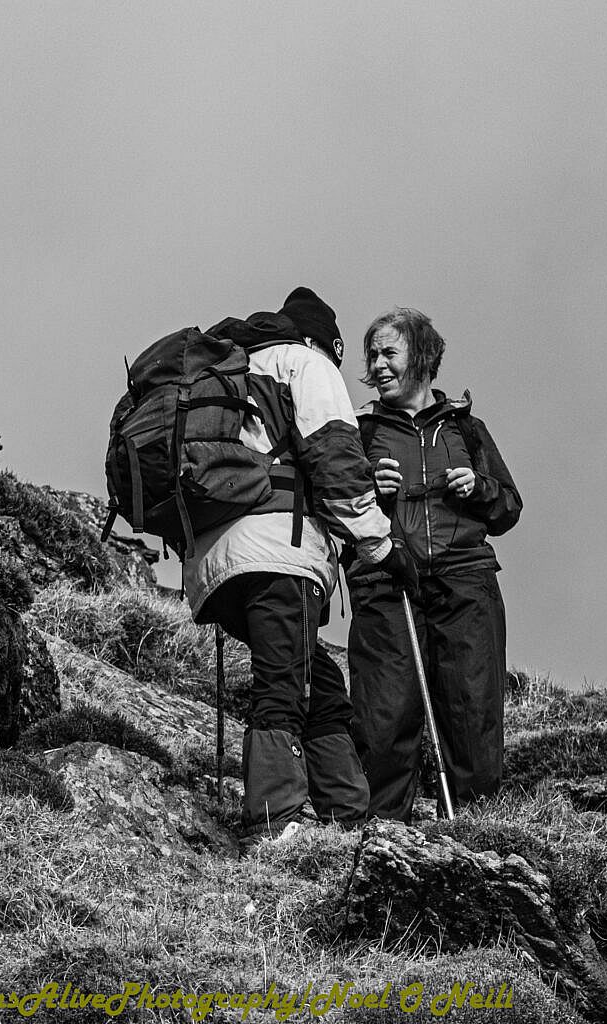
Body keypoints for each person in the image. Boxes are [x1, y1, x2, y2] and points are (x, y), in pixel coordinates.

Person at [184, 287, 417, 850]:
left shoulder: (234, 371)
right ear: (326, 342)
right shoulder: (304, 363)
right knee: (284, 684)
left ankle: (348, 816)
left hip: (218, 563)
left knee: (321, 682)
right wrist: (382, 545)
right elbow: (334, 458)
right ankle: (275, 821)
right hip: (278, 552)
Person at [345, 307, 522, 822]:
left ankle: (477, 833)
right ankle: (381, 837)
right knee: (383, 714)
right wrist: (370, 494)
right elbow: (335, 511)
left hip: (466, 581)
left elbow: (509, 507)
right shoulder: (360, 431)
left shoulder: (466, 429)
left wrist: (479, 487)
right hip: (384, 581)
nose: (377, 365)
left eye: (388, 353)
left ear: (420, 357)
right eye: (371, 355)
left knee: (472, 710)